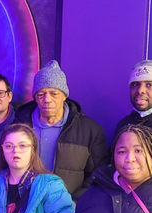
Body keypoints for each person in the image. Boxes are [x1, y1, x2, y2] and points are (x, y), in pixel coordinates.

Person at [14, 60, 109, 201]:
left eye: (54, 94)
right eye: (41, 94)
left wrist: (73, 204)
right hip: (25, 208)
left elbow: (97, 175)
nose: (47, 100)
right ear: (35, 97)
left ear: (65, 95)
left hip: (68, 211)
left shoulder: (90, 131)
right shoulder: (19, 127)